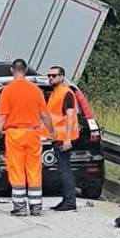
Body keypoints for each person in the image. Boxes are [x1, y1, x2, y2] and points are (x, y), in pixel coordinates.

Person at [0, 59, 55, 217]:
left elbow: (1, 118)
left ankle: (20, 206)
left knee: (17, 169)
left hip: (15, 134)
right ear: (26, 70)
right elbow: (44, 115)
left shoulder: (8, 91)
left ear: (12, 70)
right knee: (34, 169)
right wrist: (52, 132)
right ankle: (36, 206)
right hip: (33, 133)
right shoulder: (36, 91)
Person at [45, 66, 79, 211]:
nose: (51, 78)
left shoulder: (66, 93)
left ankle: (70, 202)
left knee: (65, 169)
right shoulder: (55, 93)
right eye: (49, 75)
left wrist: (67, 140)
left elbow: (70, 116)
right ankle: (66, 200)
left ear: (62, 77)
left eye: (54, 75)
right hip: (57, 137)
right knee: (62, 169)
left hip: (64, 138)